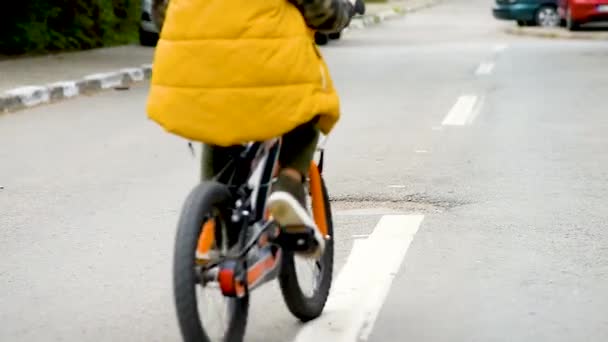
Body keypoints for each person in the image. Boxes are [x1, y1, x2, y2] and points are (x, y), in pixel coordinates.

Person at [147, 0, 357, 257]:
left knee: (220, 126)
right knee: (306, 115)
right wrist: (343, 11)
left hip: (195, 70)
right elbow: (320, 10)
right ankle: (289, 185)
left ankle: (213, 225)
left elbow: (161, 13)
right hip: (266, 64)